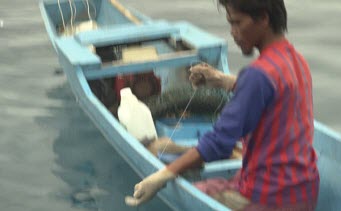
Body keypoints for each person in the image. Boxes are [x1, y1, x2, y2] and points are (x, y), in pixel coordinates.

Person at [125, 0, 320, 210]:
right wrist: (219, 79)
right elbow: (268, 91)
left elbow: (218, 143)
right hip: (305, 192)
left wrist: (161, 177)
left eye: (237, 23)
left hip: (266, 198)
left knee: (193, 194)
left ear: (263, 18)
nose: (233, 33)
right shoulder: (296, 60)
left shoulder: (256, 76)